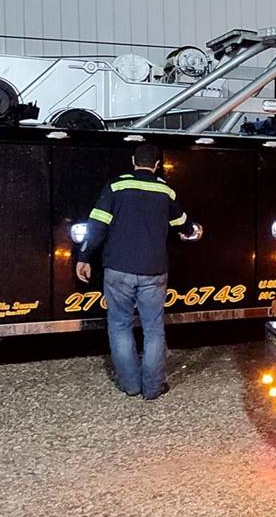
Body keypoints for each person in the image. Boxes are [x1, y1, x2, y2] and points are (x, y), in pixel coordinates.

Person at [75, 143, 202, 400]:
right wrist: (194, 231)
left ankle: (130, 385)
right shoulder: (165, 190)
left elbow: (96, 226)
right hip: (153, 271)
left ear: (133, 161)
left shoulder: (115, 187)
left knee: (120, 325)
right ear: (157, 165)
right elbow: (183, 224)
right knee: (153, 328)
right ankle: (153, 388)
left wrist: (84, 256)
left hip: (118, 269)